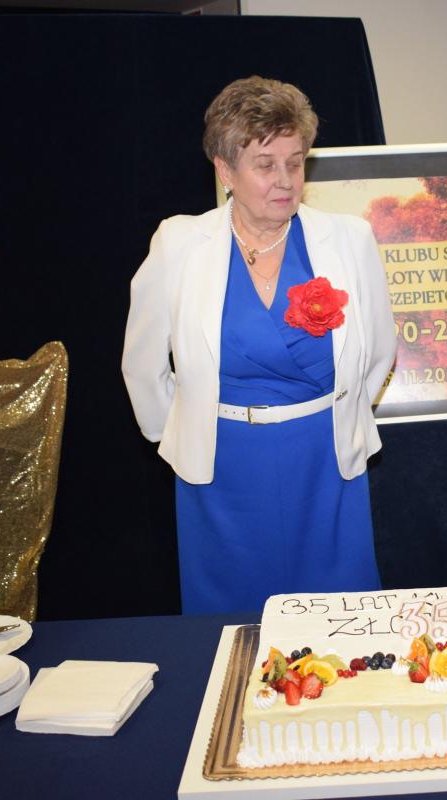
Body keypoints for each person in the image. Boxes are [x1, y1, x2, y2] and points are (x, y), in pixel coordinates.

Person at [122, 76, 396, 614]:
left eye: (295, 162)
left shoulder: (348, 238)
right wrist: (180, 432)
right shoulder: (179, 242)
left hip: (326, 463)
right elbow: (143, 363)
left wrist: (338, 415)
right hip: (220, 469)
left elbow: (378, 352)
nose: (285, 180)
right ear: (225, 171)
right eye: (266, 165)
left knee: (339, 620)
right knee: (229, 627)